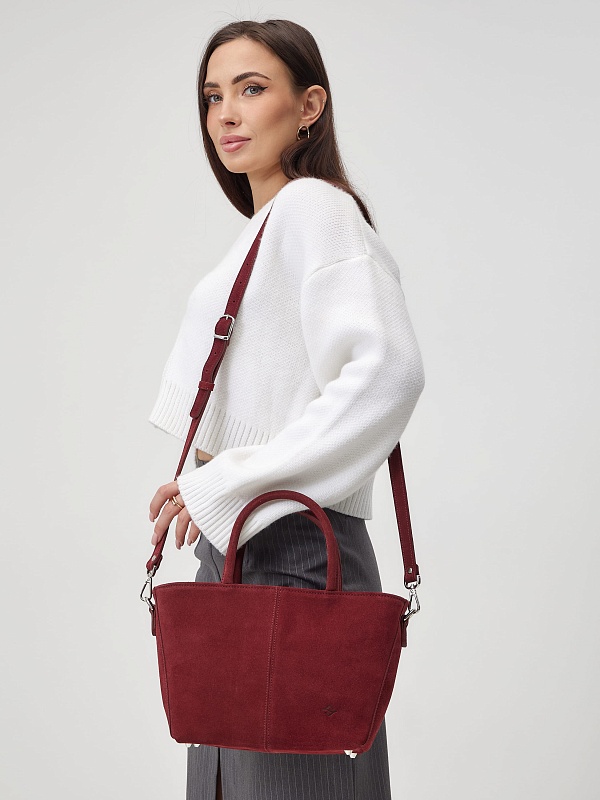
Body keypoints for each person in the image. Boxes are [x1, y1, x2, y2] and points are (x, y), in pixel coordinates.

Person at [147, 18, 425, 800]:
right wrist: (216, 486)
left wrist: (228, 481)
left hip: (299, 551)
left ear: (309, 106)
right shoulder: (267, 228)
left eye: (251, 89)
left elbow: (389, 372)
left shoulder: (313, 210)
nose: (226, 114)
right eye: (212, 96)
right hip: (244, 551)